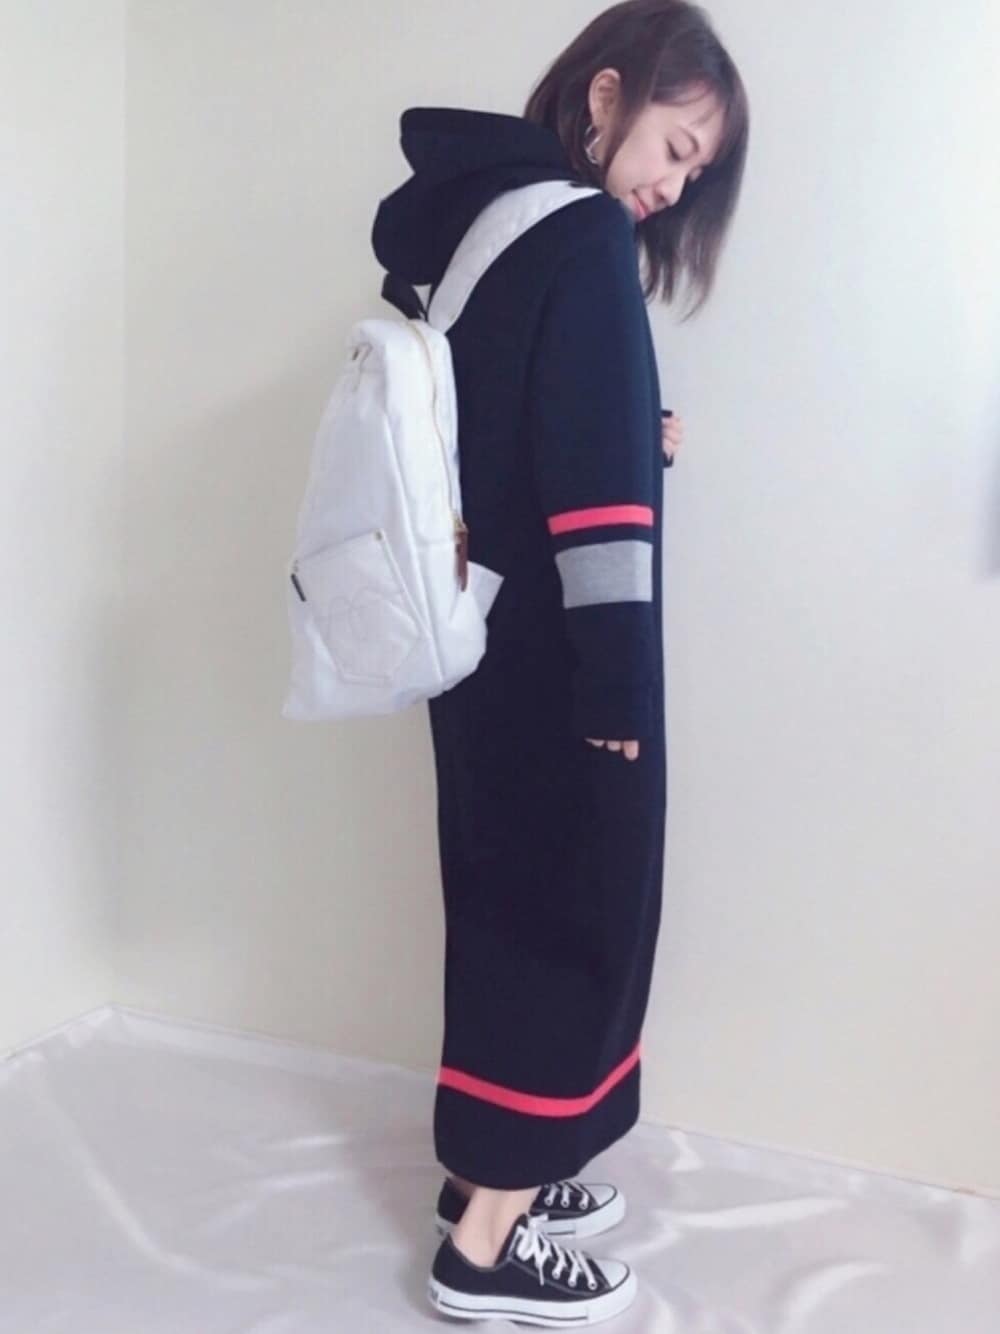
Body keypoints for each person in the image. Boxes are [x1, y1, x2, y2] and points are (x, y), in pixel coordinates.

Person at [372, 1, 748, 1323]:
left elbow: (501, 439)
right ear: (606, 94)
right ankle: (485, 1246)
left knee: (506, 908)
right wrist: (619, 690)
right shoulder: (584, 234)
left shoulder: (484, 224)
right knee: (577, 920)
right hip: (564, 661)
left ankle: (489, 1170)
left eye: (696, 172)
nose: (674, 186)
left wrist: (631, 424)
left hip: (476, 640)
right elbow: (592, 503)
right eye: (678, 147)